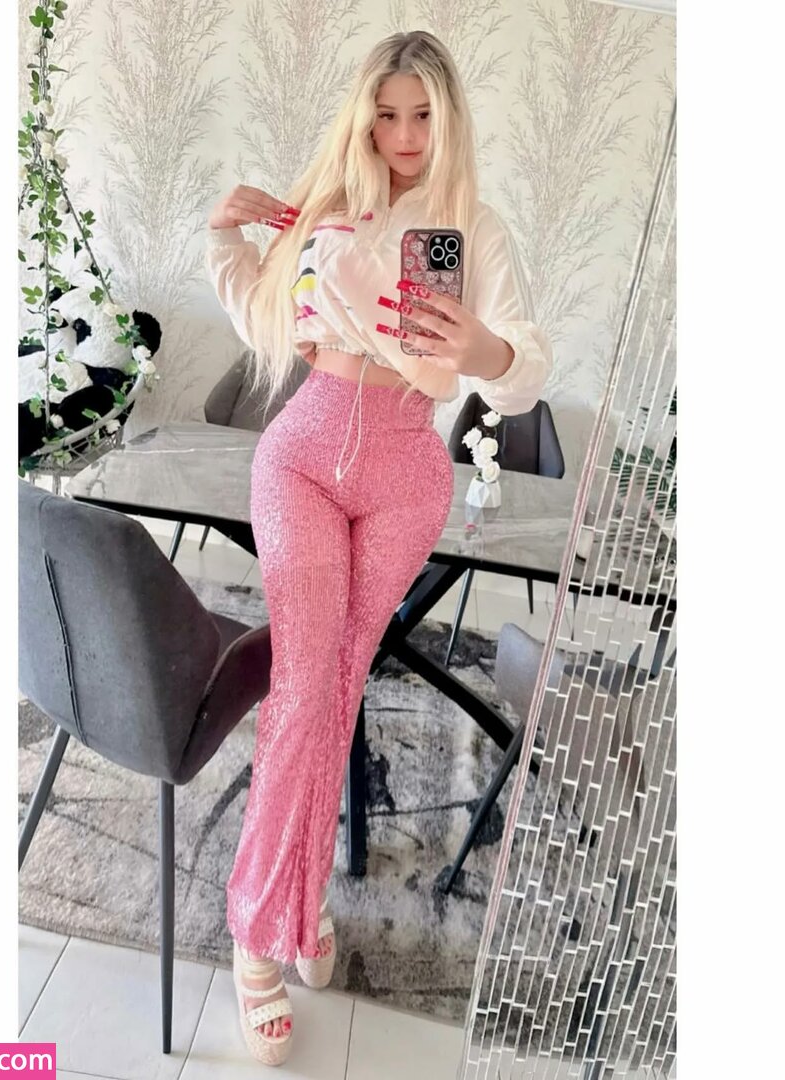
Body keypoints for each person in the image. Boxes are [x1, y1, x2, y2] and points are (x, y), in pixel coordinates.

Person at [204, 29, 552, 1066]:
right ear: (363, 118)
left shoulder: (470, 228)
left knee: (339, 686)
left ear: (448, 119)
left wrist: (484, 349)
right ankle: (256, 935)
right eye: (386, 114)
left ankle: (298, 901)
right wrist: (224, 239)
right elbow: (261, 314)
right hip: (304, 455)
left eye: (422, 115)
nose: (403, 136)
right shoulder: (327, 206)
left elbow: (521, 371)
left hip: (407, 471)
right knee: (306, 685)